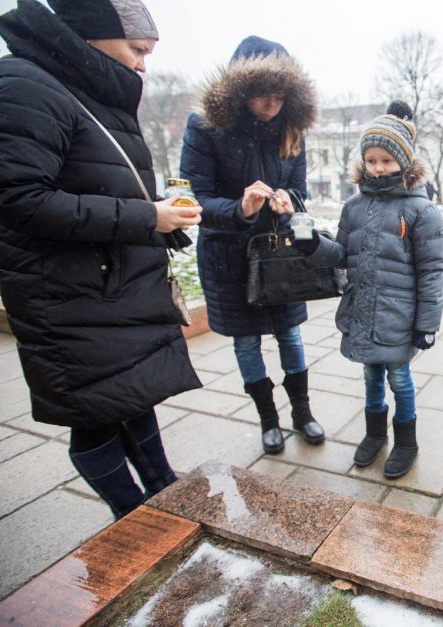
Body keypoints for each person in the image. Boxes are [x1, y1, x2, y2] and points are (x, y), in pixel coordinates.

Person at [0, 0, 202, 519]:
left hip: (107, 283)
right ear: (93, 34)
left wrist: (156, 220)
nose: (143, 65)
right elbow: (18, 198)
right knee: (94, 415)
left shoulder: (81, 86)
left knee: (129, 395)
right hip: (65, 292)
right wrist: (146, 218)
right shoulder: (23, 84)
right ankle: (132, 516)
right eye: (137, 50)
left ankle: (163, 492)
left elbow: (98, 179)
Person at [179, 36, 323, 455]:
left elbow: (299, 190)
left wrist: (286, 203)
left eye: (280, 97)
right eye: (263, 96)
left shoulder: (292, 130)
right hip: (229, 254)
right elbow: (194, 197)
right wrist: (240, 207)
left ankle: (302, 412)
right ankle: (268, 419)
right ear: (241, 92)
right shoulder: (206, 128)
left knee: (290, 337)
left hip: (278, 252)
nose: (271, 106)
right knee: (246, 341)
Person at [295, 113, 443, 479]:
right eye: (372, 160)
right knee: (370, 377)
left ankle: (406, 441)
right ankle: (375, 434)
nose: (378, 169)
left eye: (387, 160)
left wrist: (427, 325)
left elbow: (431, 272)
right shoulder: (354, 206)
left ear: (405, 161)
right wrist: (313, 243)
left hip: (399, 316)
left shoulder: (420, 209)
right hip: (363, 310)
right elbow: (342, 254)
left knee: (399, 379)